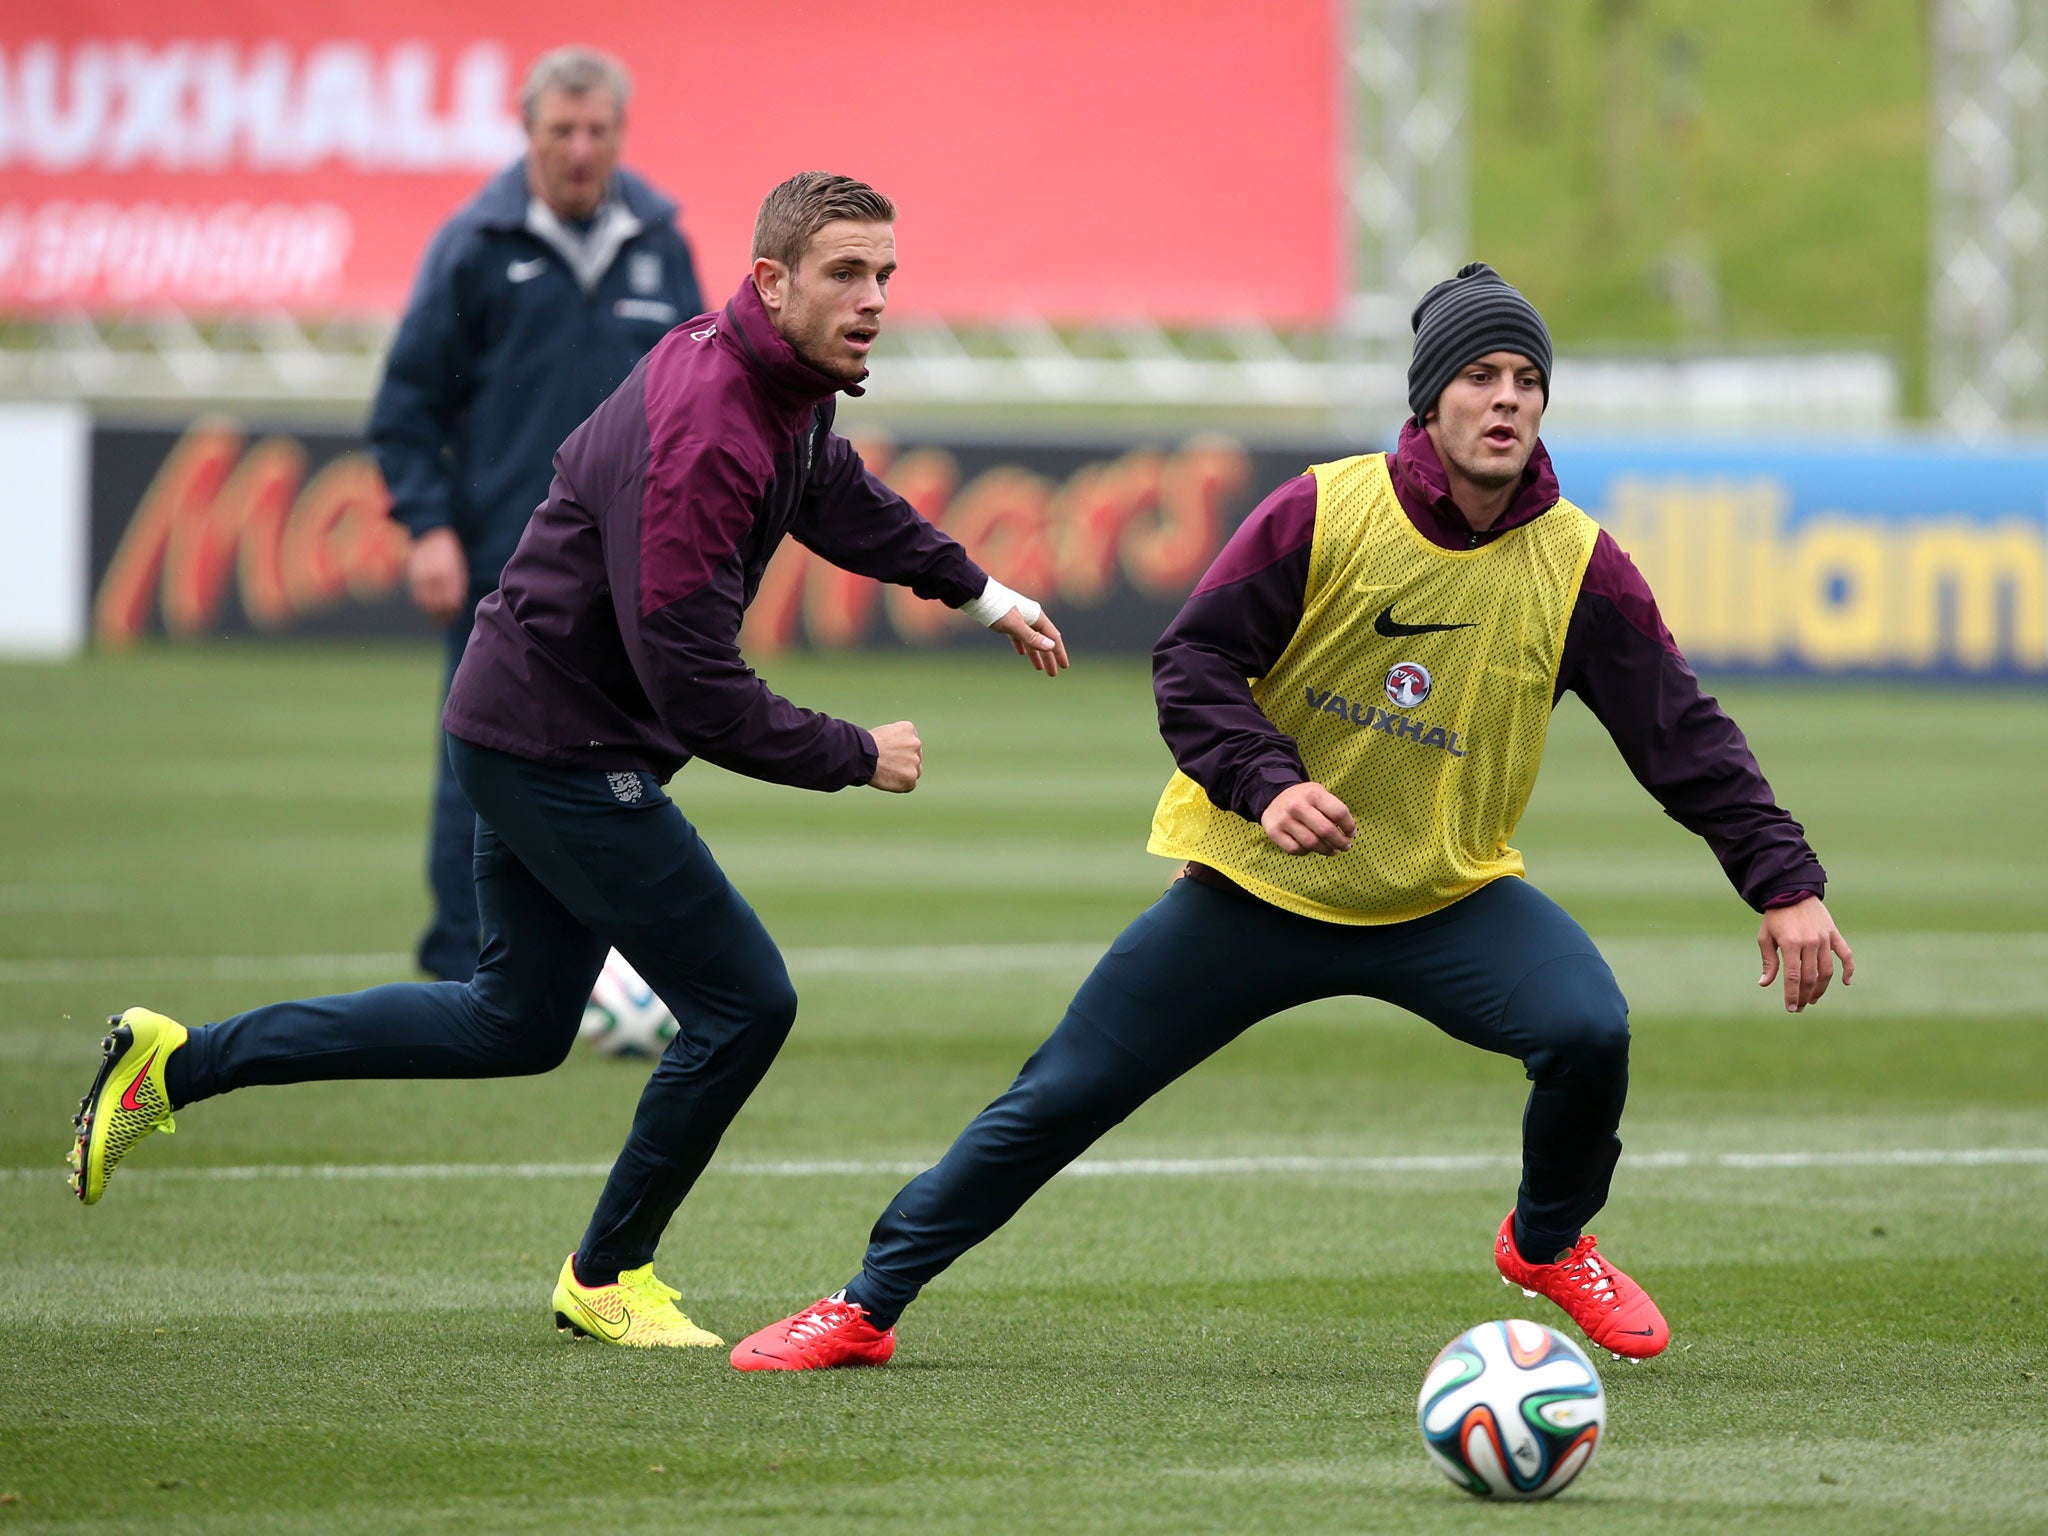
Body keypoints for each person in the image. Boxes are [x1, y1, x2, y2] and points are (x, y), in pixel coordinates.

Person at [730, 262, 1854, 1373]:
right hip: (1248, 890)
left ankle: (1546, 1243)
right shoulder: (1324, 509)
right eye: (1478, 375)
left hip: (1441, 898)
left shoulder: (1576, 566)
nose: (1504, 398)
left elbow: (1682, 734)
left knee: (1586, 1030)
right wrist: (1266, 783)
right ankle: (864, 1305)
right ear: (1428, 397)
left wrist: (1782, 883)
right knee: (1059, 1096)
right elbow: (1192, 663)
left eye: (1524, 377)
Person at [68, 172, 1070, 1353]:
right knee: (745, 1004)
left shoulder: (779, 381)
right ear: (771, 281)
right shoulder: (709, 425)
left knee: (513, 1023)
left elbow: (828, 492)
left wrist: (978, 589)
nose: (872, 299)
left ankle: (176, 1066)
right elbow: (692, 688)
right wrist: (854, 754)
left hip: (522, 721)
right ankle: (608, 1273)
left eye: (884, 275)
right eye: (846, 272)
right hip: (561, 748)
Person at [371, 45, 704, 983]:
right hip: (505, 565)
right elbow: (406, 407)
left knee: (631, 766)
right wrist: (428, 525)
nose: (581, 149)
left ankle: (608, 965)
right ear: (529, 134)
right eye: (563, 130)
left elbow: (698, 397)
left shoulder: (660, 240)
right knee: (476, 768)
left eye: (598, 130)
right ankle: (462, 970)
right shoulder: (475, 244)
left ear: (620, 133)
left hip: (633, 570)